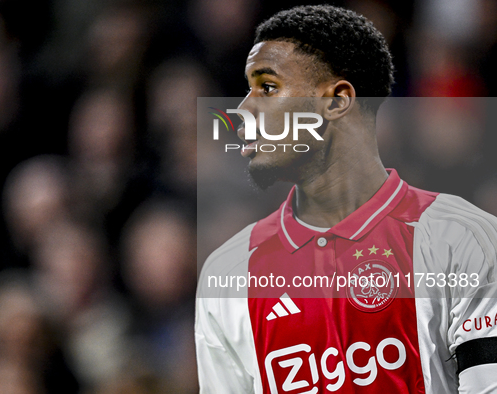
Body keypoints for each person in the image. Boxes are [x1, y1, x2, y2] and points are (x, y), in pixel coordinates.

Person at [195, 5, 497, 393]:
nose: (244, 109)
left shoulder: (464, 241)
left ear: (337, 101)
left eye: (267, 88)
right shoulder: (229, 273)